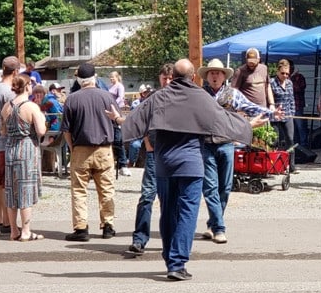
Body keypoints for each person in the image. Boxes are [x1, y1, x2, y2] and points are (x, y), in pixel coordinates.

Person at [120, 59, 252, 280]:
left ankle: (169, 257)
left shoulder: (159, 96)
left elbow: (134, 121)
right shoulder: (201, 97)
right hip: (191, 164)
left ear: (173, 76)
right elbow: (222, 120)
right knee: (187, 212)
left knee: (168, 211)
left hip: (164, 164)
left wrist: (117, 121)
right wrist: (246, 127)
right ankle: (177, 263)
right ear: (193, 77)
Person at [197, 58, 276, 245]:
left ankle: (212, 223)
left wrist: (271, 112)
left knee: (225, 187)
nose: (215, 76)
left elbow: (252, 107)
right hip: (206, 144)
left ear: (224, 76)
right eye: (212, 73)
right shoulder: (199, 95)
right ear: (207, 76)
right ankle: (219, 228)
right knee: (210, 187)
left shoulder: (233, 94)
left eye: (218, 73)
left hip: (226, 143)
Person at [121, 63, 174, 256]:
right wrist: (147, 144)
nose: (167, 81)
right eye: (164, 78)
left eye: (170, 78)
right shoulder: (153, 98)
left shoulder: (180, 98)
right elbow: (141, 121)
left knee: (171, 200)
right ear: (159, 78)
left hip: (173, 153)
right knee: (147, 197)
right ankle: (139, 238)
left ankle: (171, 240)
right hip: (154, 153)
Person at [62, 63, 118, 242]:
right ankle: (108, 226)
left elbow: (66, 130)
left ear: (78, 79)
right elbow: (116, 122)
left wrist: (72, 148)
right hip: (104, 148)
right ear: (95, 77)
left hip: (81, 149)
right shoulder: (107, 96)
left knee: (79, 190)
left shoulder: (72, 99)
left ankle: (81, 228)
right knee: (106, 189)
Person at [0, 73, 46, 241]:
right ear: (26, 86)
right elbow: (41, 131)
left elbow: (2, 131)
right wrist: (42, 119)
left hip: (10, 149)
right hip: (26, 148)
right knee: (25, 190)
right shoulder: (31, 106)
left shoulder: (6, 107)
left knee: (11, 190)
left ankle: (14, 230)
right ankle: (26, 231)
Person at [0, 56, 20, 235]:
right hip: (7, 141)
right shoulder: (8, 92)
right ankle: (7, 223)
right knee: (6, 183)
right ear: (15, 72)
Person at [270, 60, 297, 174]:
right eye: (283, 73)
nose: (285, 76)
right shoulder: (271, 83)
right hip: (275, 116)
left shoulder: (289, 83)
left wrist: (292, 113)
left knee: (290, 140)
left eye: (287, 74)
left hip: (288, 114)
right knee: (274, 141)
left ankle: (292, 166)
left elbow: (291, 99)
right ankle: (273, 165)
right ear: (277, 71)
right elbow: (269, 100)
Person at [108, 70, 130, 176]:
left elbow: (120, 97)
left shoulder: (119, 86)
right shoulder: (109, 87)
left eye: (113, 77)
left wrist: (112, 104)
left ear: (117, 77)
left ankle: (122, 163)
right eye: (110, 77)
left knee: (117, 136)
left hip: (117, 110)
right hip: (110, 111)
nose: (111, 79)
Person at [289, 60, 309, 148]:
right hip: (288, 107)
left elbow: (298, 89)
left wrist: (291, 78)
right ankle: (295, 146)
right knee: (292, 128)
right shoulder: (285, 77)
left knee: (300, 126)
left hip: (297, 105)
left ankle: (304, 146)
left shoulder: (299, 77)